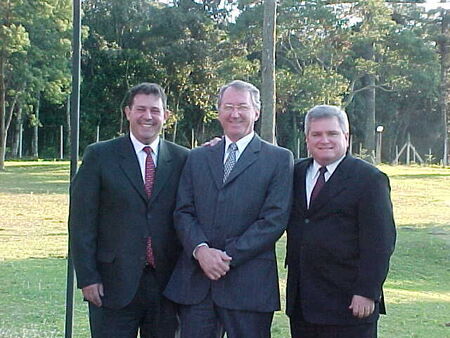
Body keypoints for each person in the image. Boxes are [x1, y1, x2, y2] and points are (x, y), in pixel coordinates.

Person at [164, 80, 293, 337]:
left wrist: (224, 257)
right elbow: (183, 211)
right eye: (228, 106)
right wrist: (202, 252)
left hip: (249, 285)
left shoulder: (279, 159)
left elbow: (274, 220)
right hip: (197, 285)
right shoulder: (198, 157)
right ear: (219, 112)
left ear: (256, 112)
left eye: (242, 107)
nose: (235, 113)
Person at [69, 82, 189, 337]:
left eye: (155, 111)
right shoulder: (100, 156)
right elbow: (81, 222)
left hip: (166, 287)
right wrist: (88, 277)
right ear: (128, 112)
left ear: (166, 115)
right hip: (111, 285)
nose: (148, 116)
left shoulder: (183, 159)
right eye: (141, 109)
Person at [285, 105, 396, 338]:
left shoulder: (369, 179)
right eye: (316, 134)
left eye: (332, 133)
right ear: (307, 139)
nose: (324, 140)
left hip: (349, 304)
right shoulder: (294, 173)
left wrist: (367, 292)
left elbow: (380, 242)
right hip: (303, 304)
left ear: (346, 137)